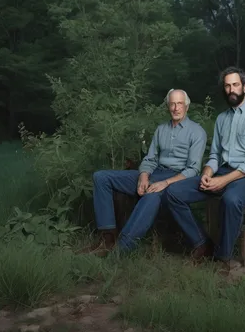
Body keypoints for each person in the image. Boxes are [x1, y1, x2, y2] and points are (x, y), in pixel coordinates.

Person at [166, 67, 245, 268]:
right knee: (173, 192)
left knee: (231, 200)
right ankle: (202, 244)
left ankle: (223, 258)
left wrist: (222, 181)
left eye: (236, 85)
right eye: (227, 85)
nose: (231, 89)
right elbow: (215, 155)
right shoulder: (222, 119)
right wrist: (207, 173)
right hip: (221, 173)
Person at [85, 89, 207, 256]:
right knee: (101, 177)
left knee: (151, 194)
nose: (175, 108)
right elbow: (150, 159)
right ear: (167, 106)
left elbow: (193, 169)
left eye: (179, 104)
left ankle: (123, 248)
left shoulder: (197, 132)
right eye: (172, 104)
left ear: (186, 106)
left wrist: (165, 183)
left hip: (177, 179)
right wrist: (143, 175)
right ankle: (107, 240)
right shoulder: (161, 129)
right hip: (154, 173)